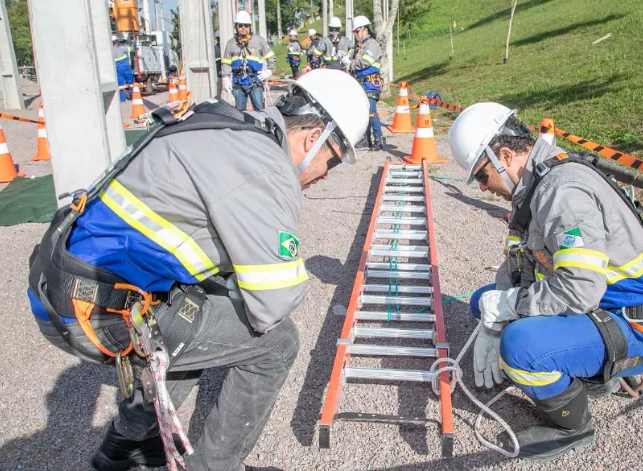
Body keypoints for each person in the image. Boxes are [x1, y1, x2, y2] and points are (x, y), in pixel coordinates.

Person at [26, 69, 370, 471]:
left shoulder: (225, 125)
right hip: (98, 311)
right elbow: (273, 303)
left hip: (66, 287)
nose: (326, 174)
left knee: (198, 317)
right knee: (276, 342)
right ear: (313, 138)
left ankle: (127, 445)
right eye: (332, 160)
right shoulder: (265, 166)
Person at [446, 103, 643, 460]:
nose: (483, 188)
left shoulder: (562, 193)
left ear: (505, 156)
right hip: (604, 306)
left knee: (520, 344)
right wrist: (497, 305)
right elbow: (520, 264)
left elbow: (580, 289)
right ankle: (568, 363)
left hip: (638, 321)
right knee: (484, 300)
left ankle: (572, 426)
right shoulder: (536, 184)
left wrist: (510, 310)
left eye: (481, 176)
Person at [221, 10, 276, 111]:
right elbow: (226, 62)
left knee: (260, 111)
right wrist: (225, 78)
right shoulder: (231, 43)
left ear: (250, 26)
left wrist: (269, 71)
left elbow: (271, 57)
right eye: (240, 25)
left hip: (255, 82)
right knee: (240, 114)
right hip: (238, 84)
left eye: (246, 25)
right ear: (236, 26)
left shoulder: (259, 41)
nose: (243, 28)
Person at [342, 15, 383, 151]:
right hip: (360, 84)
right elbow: (353, 59)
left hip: (371, 83)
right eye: (354, 32)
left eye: (357, 31)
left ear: (365, 29)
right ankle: (366, 139)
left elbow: (365, 62)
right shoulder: (359, 46)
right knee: (363, 112)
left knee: (371, 111)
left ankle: (378, 139)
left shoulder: (372, 44)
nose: (355, 35)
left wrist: (351, 63)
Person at [112, 35, 134, 102]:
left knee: (121, 85)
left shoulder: (110, 50)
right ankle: (133, 96)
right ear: (116, 42)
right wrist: (133, 42)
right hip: (125, 67)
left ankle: (122, 99)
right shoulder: (121, 48)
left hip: (117, 68)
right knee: (131, 82)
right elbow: (131, 49)